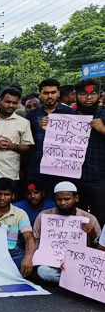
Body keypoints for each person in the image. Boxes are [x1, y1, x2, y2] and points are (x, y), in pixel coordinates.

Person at [25, 79, 76, 194]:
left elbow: (76, 141)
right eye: (46, 93)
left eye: (53, 92)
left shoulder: (70, 114)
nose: (50, 96)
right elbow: (26, 143)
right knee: (36, 200)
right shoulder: (31, 116)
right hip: (36, 168)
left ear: (58, 93)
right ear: (40, 95)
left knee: (61, 201)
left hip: (62, 169)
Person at [71, 80, 105, 226]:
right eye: (84, 94)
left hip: (99, 178)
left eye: (93, 93)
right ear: (75, 96)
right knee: (76, 218)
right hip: (73, 178)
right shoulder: (68, 116)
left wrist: (103, 129)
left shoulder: (104, 114)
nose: (89, 97)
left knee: (101, 218)